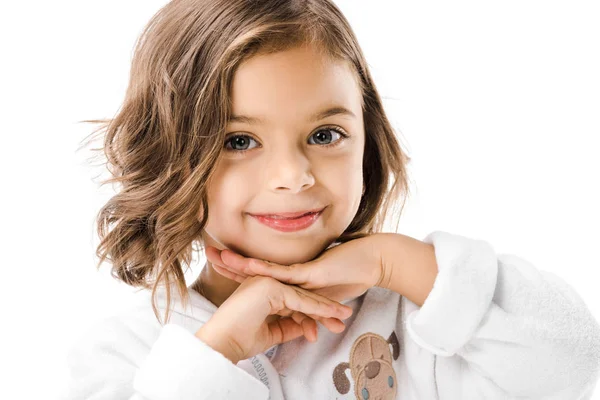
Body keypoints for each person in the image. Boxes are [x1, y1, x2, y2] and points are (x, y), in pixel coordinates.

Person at [62, 0, 600, 399]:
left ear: (367, 141)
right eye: (239, 141)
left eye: (324, 135)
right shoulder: (124, 353)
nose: (293, 176)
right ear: (167, 156)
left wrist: (397, 262)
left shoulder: (420, 315)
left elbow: (571, 361)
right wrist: (219, 348)